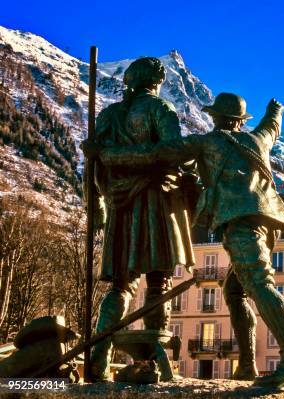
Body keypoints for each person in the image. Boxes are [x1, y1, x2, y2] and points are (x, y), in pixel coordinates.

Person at [92, 93, 284, 388]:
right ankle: (247, 365)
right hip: (268, 223)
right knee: (234, 290)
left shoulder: (205, 142)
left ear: (215, 117)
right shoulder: (258, 139)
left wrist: (106, 154)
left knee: (260, 284)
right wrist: (276, 109)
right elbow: (272, 126)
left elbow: (158, 153)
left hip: (240, 222)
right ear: (239, 121)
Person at [85, 57, 195, 381]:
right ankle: (149, 363)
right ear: (155, 82)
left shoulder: (109, 116)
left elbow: (95, 165)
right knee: (158, 282)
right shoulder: (160, 109)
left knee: (119, 285)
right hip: (153, 202)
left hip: (120, 205)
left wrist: (99, 204)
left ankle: (98, 359)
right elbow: (177, 152)